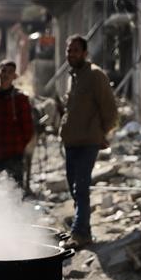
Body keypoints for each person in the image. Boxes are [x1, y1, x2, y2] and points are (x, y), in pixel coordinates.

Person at [59, 34, 118, 249]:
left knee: (81, 186)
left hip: (88, 142)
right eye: (69, 50)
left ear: (85, 53)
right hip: (71, 141)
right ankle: (84, 228)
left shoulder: (95, 75)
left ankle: (80, 231)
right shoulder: (72, 76)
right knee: (74, 188)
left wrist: (102, 133)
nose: (71, 54)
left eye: (75, 50)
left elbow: (110, 109)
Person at [0, 60, 34, 188]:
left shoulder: (21, 99)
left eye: (10, 72)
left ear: (14, 77)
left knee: (15, 191)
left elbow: (28, 129)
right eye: (3, 71)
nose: (6, 75)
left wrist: (18, 147)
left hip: (13, 153)